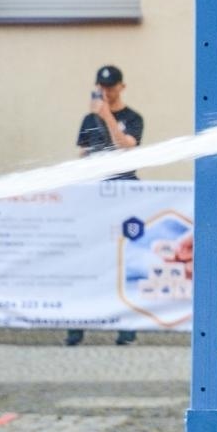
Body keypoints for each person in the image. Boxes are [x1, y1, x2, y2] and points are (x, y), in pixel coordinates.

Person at [67, 66, 144, 347]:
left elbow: (126, 146)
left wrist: (106, 115)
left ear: (121, 87)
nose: (106, 92)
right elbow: (84, 151)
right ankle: (77, 328)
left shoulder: (133, 118)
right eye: (101, 87)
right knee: (89, 258)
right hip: (95, 194)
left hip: (124, 192)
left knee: (123, 260)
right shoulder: (89, 118)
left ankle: (126, 328)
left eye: (110, 88)